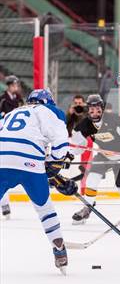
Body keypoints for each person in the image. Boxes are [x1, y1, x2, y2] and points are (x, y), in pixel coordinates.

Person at [0, 89, 76, 274]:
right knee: (44, 208)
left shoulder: (12, 112)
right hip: (30, 162)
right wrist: (55, 162)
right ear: (48, 101)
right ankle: (59, 248)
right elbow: (60, 139)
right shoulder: (51, 111)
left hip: (1, 158)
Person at [69, 94, 120, 224]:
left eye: (97, 109)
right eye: (91, 109)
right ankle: (87, 207)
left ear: (102, 109)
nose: (94, 112)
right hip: (103, 156)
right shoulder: (84, 125)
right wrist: (69, 154)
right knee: (91, 180)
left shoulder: (113, 119)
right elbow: (77, 146)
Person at [0, 75, 24, 219]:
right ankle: (4, 203)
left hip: (17, 139)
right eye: (15, 84)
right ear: (9, 85)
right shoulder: (2, 99)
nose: (17, 87)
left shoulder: (19, 99)